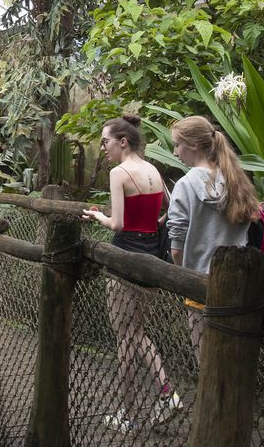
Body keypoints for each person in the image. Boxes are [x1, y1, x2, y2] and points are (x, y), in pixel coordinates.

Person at [82, 115, 182, 433]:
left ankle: (132, 411)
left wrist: (97, 216)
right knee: (136, 333)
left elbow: (118, 224)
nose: (104, 147)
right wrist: (153, 230)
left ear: (123, 141)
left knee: (126, 335)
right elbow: (172, 207)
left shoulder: (119, 172)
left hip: (124, 257)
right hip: (151, 256)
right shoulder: (153, 169)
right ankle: (160, 397)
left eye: (106, 141)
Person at [167, 115, 259, 362]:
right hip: (239, 284)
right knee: (235, 360)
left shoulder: (185, 185)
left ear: (194, 145)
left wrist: (183, 276)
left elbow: (177, 247)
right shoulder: (237, 180)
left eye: (177, 145)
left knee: (206, 360)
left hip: (200, 283)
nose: (175, 152)